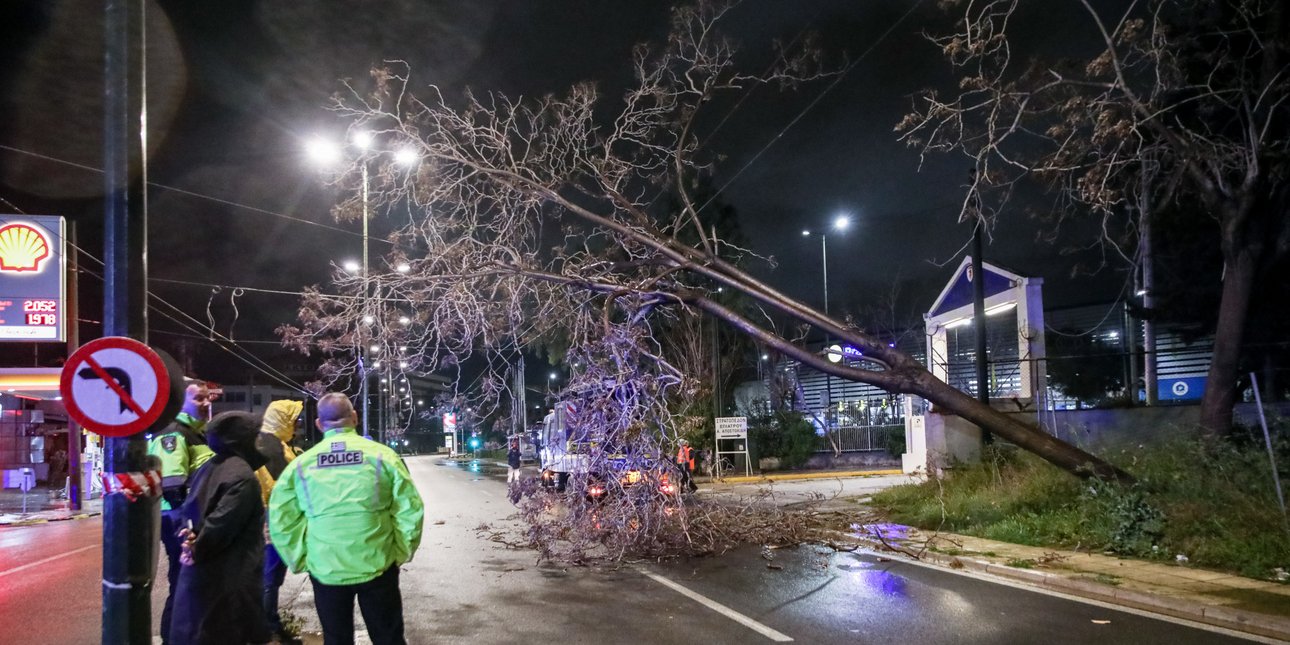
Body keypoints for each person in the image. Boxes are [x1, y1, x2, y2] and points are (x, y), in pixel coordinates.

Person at [269, 392, 425, 645]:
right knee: (389, 638)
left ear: (320, 425)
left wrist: (301, 558)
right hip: (378, 564)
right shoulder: (382, 457)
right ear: (354, 418)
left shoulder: (300, 465)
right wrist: (401, 551)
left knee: (337, 639)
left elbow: (282, 518)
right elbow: (410, 508)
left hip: (326, 568)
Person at [170, 411, 272, 645]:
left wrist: (189, 540)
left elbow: (188, 511)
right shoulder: (242, 477)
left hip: (207, 580)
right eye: (256, 435)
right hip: (229, 580)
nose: (260, 440)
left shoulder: (210, 467)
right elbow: (221, 524)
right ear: (241, 440)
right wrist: (197, 547)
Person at [147, 381, 214, 644]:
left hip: (188, 517)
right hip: (178, 518)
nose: (206, 403)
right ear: (180, 403)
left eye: (208, 398)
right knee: (184, 581)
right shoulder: (174, 433)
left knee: (192, 581)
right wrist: (187, 527)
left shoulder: (197, 432)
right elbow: (173, 488)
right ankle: (174, 637)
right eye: (199, 398)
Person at [253, 399, 305, 644]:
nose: (296, 425)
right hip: (272, 518)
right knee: (269, 578)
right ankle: (268, 630)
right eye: (293, 419)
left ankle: (268, 626)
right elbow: (282, 484)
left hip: (271, 516)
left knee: (270, 577)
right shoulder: (270, 447)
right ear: (281, 419)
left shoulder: (275, 444)